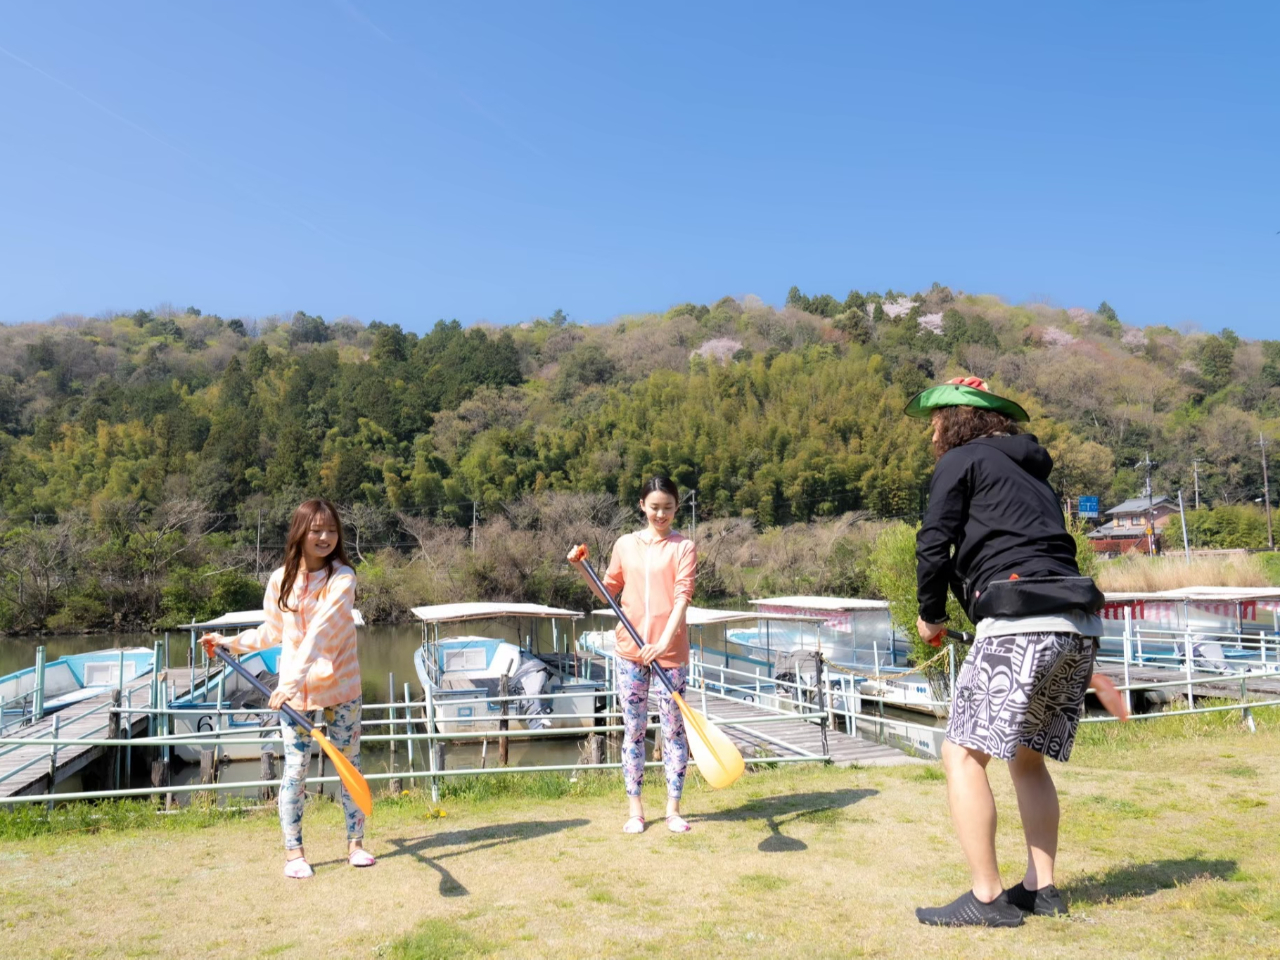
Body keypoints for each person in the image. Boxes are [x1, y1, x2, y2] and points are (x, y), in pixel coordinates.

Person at [905, 377, 1104, 927]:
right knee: (1027, 755)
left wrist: (932, 614)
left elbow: (933, 542)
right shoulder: (1031, 469)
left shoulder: (961, 459)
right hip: (1077, 621)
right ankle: (1042, 888)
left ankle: (987, 896)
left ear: (956, 422)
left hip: (1019, 622)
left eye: (936, 420)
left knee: (962, 754)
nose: (932, 430)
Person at [201, 498, 372, 879]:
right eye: (316, 530)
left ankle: (356, 845)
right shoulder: (280, 579)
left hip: (342, 688)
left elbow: (321, 631)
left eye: (331, 530)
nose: (325, 537)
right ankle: (294, 853)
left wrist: (287, 682)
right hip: (296, 698)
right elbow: (272, 632)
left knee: (350, 767)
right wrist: (229, 642)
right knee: (295, 769)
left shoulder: (343, 577)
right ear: (300, 532)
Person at [568, 476, 696, 834]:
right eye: (654, 507)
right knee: (634, 729)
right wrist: (581, 567)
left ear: (676, 508)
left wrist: (663, 641)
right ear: (642, 506)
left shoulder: (683, 547)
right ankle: (635, 810)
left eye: (668, 508)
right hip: (630, 651)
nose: (661, 514)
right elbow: (606, 591)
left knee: (673, 731)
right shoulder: (625, 544)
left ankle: (673, 809)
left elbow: (682, 597)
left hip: (670, 653)